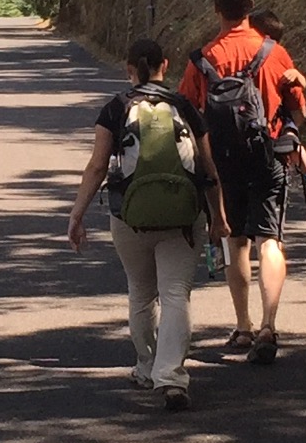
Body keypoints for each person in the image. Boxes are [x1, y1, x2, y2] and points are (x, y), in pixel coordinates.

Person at [66, 36, 225, 408]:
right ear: (164, 66)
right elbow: (208, 169)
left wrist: (77, 213)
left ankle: (146, 366)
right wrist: (219, 218)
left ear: (129, 70)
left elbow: (97, 166)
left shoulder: (115, 108)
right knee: (175, 293)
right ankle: (171, 378)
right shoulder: (184, 106)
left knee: (140, 290)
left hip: (130, 216)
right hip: (183, 216)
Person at [181, 0, 305, 364]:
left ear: (216, 9)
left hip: (222, 162)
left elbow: (187, 117)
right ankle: (269, 324)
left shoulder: (202, 59)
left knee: (235, 241)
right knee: (270, 241)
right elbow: (299, 110)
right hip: (267, 156)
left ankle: (243, 326)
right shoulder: (273, 53)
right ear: (251, 7)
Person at [252, 12, 306, 205]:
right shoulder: (277, 53)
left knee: (290, 136)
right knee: (291, 138)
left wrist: (296, 76)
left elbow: (296, 82)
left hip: (259, 122)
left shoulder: (271, 53)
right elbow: (296, 92)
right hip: (275, 121)